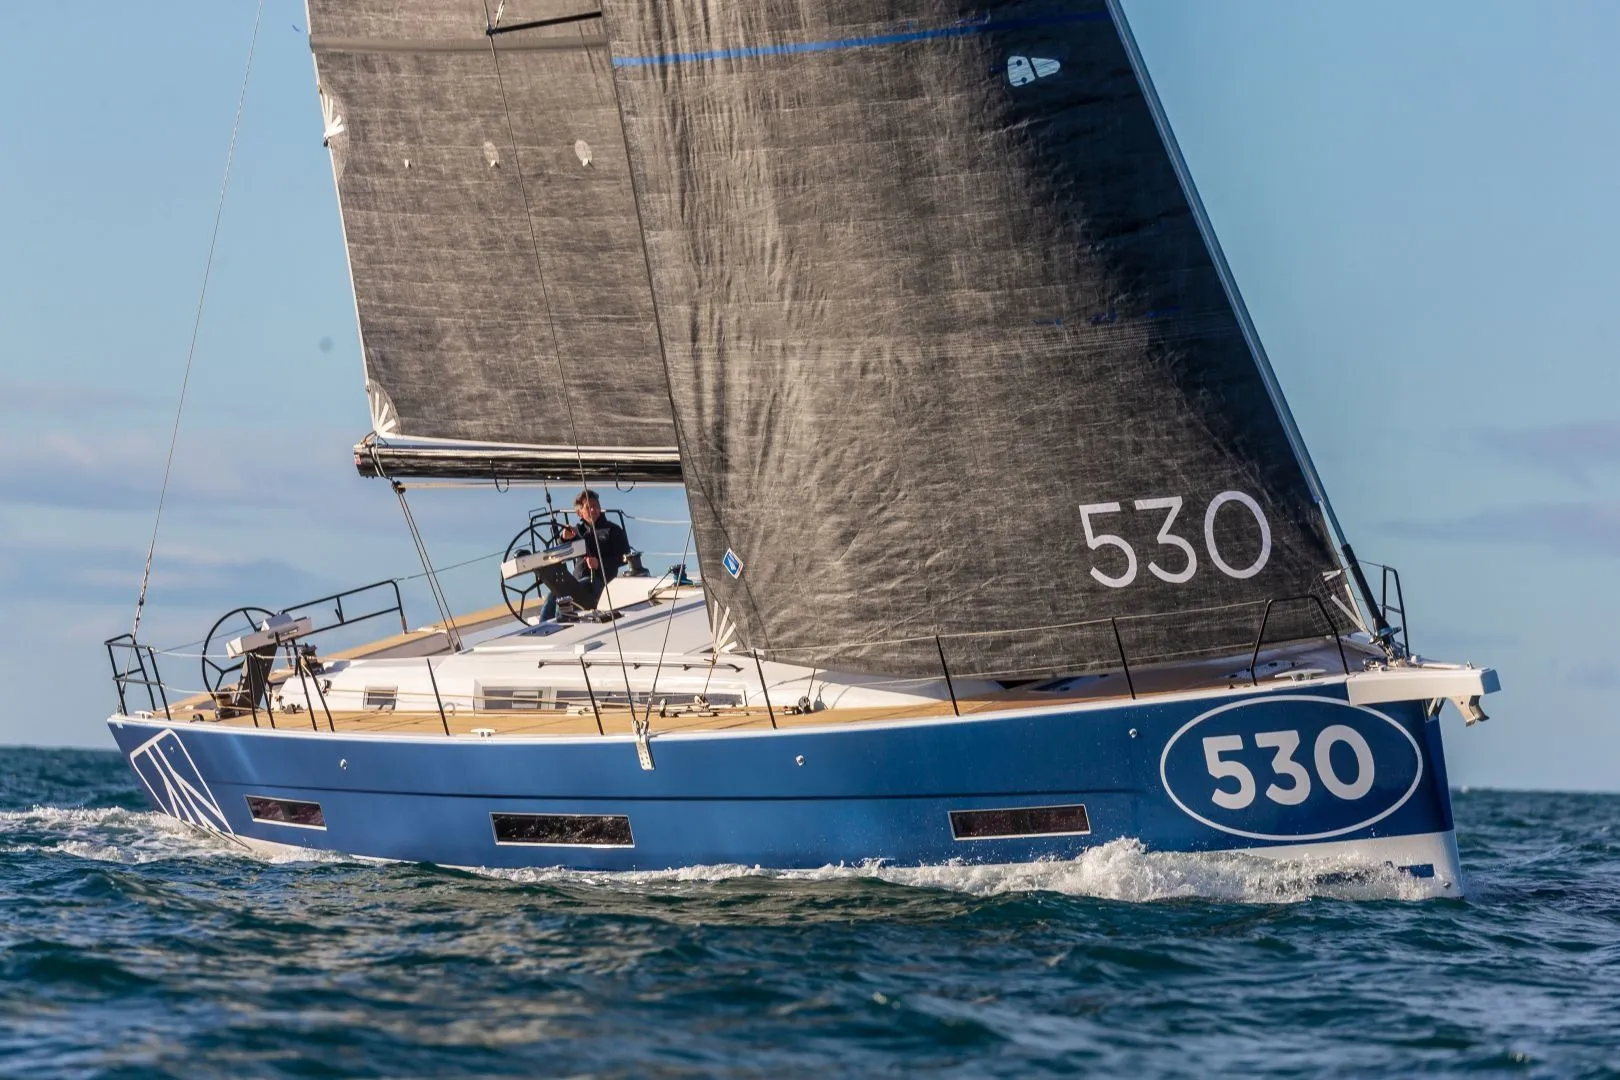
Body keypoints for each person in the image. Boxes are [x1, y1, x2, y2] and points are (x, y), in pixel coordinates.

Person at [563, 489, 631, 607]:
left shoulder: (613, 530)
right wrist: (564, 539)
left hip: (600, 583)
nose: (593, 510)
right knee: (553, 596)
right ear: (579, 513)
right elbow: (562, 554)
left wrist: (599, 563)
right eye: (588, 507)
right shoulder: (576, 532)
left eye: (596, 506)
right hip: (577, 581)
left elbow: (625, 557)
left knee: (567, 595)